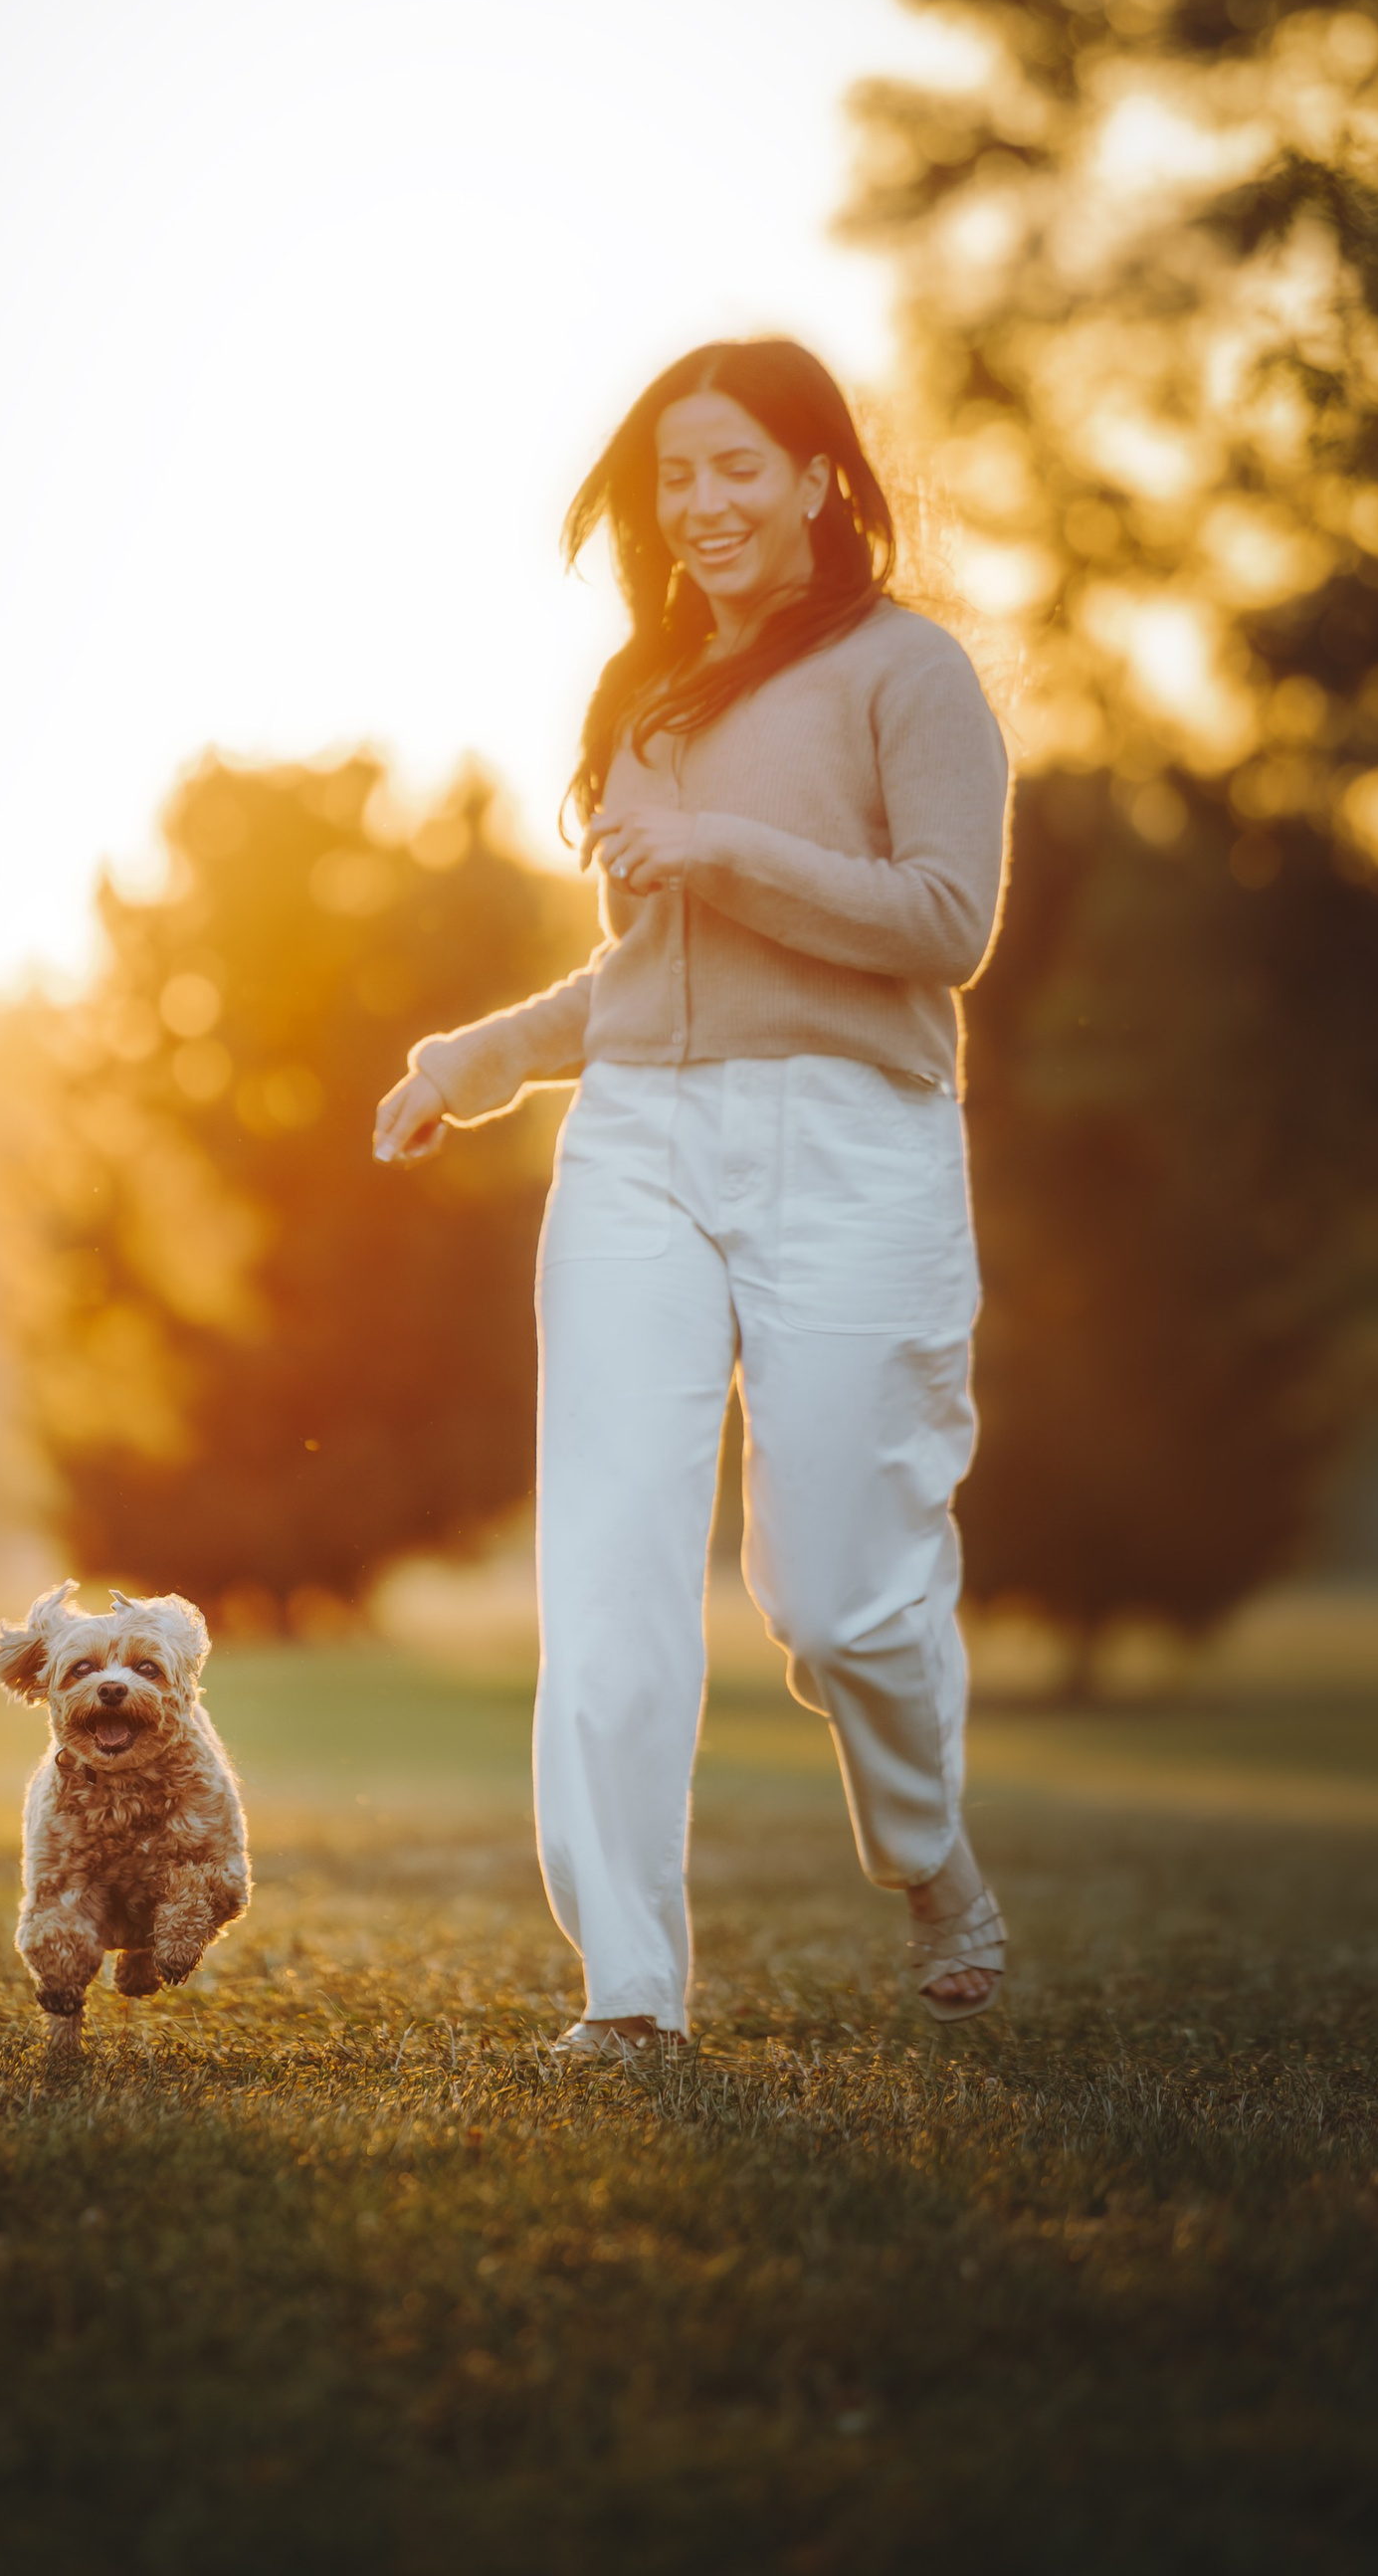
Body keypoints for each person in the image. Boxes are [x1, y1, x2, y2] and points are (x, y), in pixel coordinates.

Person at [373, 339, 1012, 2056]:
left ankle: (935, 1860)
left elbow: (947, 922)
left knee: (837, 1599)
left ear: (818, 478)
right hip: (639, 1146)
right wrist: (473, 1058)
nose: (703, 506)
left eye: (738, 468)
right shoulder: (644, 695)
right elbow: (644, 975)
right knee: (611, 1570)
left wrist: (730, 852)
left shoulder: (908, 671)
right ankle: (634, 1991)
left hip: (856, 1137)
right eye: (676, 478)